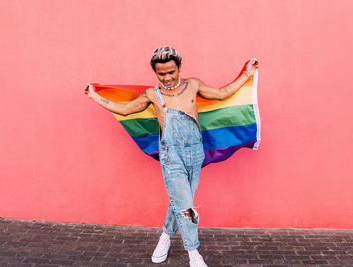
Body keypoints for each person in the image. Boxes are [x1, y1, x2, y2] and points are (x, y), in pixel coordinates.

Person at [84, 47, 259, 267]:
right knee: (186, 205)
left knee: (179, 202)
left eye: (171, 72)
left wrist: (246, 74)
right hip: (171, 155)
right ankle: (193, 252)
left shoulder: (193, 85)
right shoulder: (151, 95)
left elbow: (222, 93)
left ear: (179, 68)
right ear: (155, 73)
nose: (167, 77)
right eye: (161, 74)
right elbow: (125, 109)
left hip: (195, 152)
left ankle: (165, 237)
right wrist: (95, 96)